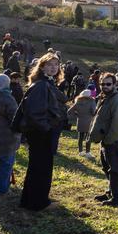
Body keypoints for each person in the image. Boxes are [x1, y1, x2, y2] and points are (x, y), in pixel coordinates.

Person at [18, 53, 68, 212]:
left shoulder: (47, 82)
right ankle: (38, 203)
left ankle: (31, 200)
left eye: (56, 64)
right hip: (40, 132)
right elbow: (34, 112)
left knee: (38, 167)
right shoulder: (41, 84)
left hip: (41, 131)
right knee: (41, 168)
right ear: (42, 66)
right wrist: (46, 128)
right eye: (50, 64)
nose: (54, 67)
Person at [89, 72, 118, 207]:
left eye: (108, 84)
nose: (105, 86)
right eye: (102, 84)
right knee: (108, 168)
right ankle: (111, 192)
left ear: (114, 84)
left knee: (116, 169)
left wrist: (109, 141)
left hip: (114, 140)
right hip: (106, 140)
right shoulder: (105, 98)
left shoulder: (117, 100)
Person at [67, 90, 96, 158]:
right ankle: (88, 152)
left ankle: (80, 152)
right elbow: (93, 112)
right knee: (88, 138)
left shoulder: (78, 102)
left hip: (80, 121)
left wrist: (77, 115)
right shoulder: (91, 101)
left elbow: (69, 111)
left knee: (80, 138)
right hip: (89, 122)